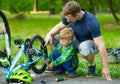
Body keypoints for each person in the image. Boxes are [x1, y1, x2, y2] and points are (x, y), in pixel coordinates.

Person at [45, 1, 112, 80]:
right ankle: (60, 67)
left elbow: (100, 45)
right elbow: (59, 27)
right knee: (53, 38)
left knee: (84, 48)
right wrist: (49, 34)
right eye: (67, 19)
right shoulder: (69, 15)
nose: (68, 21)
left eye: (69, 19)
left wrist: (106, 67)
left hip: (89, 44)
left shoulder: (91, 21)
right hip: (75, 39)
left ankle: (91, 65)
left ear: (77, 15)